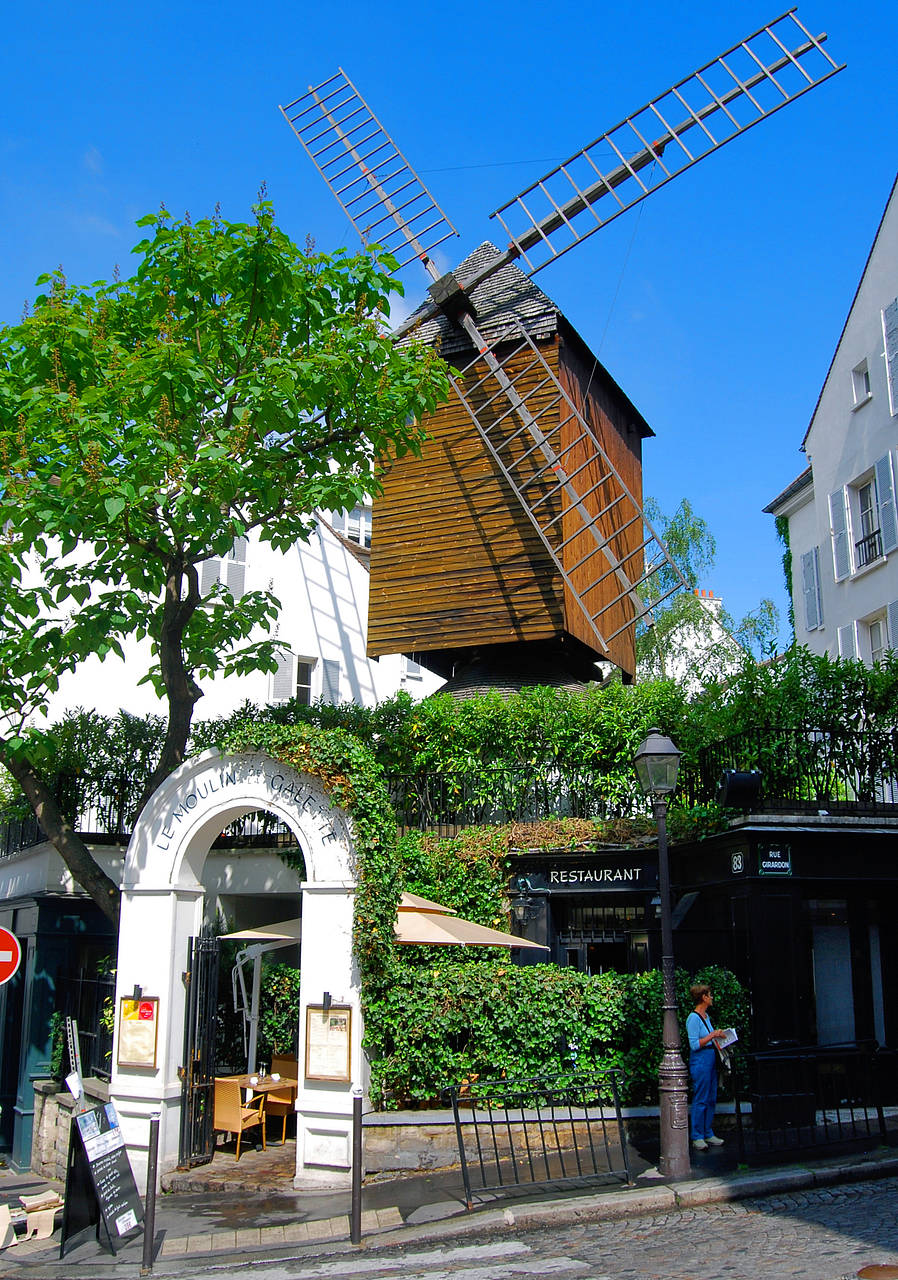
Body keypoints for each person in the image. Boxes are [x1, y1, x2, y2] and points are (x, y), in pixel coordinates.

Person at [686, 982, 727, 1151]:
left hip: (710, 1058)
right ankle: (697, 1136)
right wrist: (712, 1035)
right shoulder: (693, 1018)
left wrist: (721, 1037)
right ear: (703, 997)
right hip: (700, 1060)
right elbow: (694, 1044)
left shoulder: (706, 1017)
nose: (712, 998)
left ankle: (708, 1132)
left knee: (711, 1097)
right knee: (701, 1097)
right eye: (710, 995)